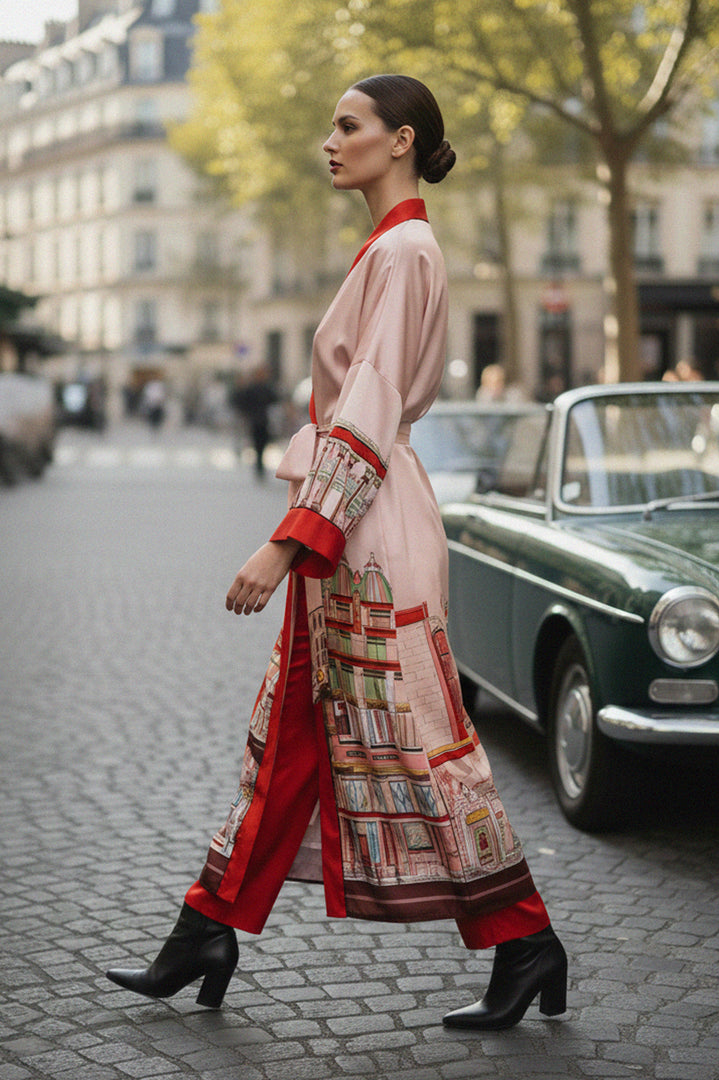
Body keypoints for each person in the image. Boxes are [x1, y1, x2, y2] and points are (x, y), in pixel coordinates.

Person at [106, 74, 567, 1031]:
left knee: (424, 743)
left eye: (348, 125)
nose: (330, 139)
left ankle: (526, 941)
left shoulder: (404, 253)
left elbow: (362, 416)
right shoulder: (390, 250)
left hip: (367, 526)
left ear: (399, 140)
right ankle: (207, 925)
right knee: (293, 736)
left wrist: (284, 545)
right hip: (356, 518)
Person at [231, 363, 279, 477]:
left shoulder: (267, 388)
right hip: (254, 420)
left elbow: (275, 400)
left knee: (263, 442)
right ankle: (258, 465)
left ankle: (259, 464)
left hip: (264, 420)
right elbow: (241, 401)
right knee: (257, 443)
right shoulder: (251, 389)